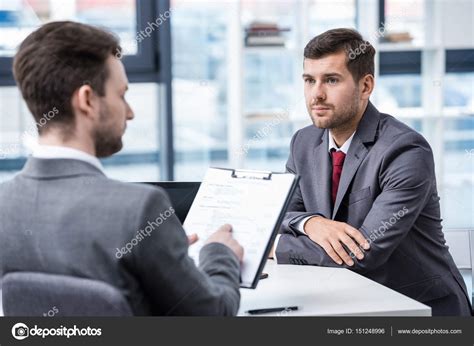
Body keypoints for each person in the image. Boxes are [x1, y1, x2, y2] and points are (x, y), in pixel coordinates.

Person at [0, 21, 244, 316]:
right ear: (87, 100)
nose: (130, 112)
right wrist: (220, 255)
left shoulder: (5, 204)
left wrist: (161, 250)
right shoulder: (138, 209)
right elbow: (213, 317)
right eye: (121, 95)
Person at [272, 28, 471, 316]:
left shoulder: (406, 150)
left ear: (365, 86)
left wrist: (276, 246)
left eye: (331, 80)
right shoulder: (302, 142)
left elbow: (360, 255)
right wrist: (311, 223)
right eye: (309, 80)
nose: (317, 94)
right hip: (345, 303)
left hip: (419, 310)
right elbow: (280, 215)